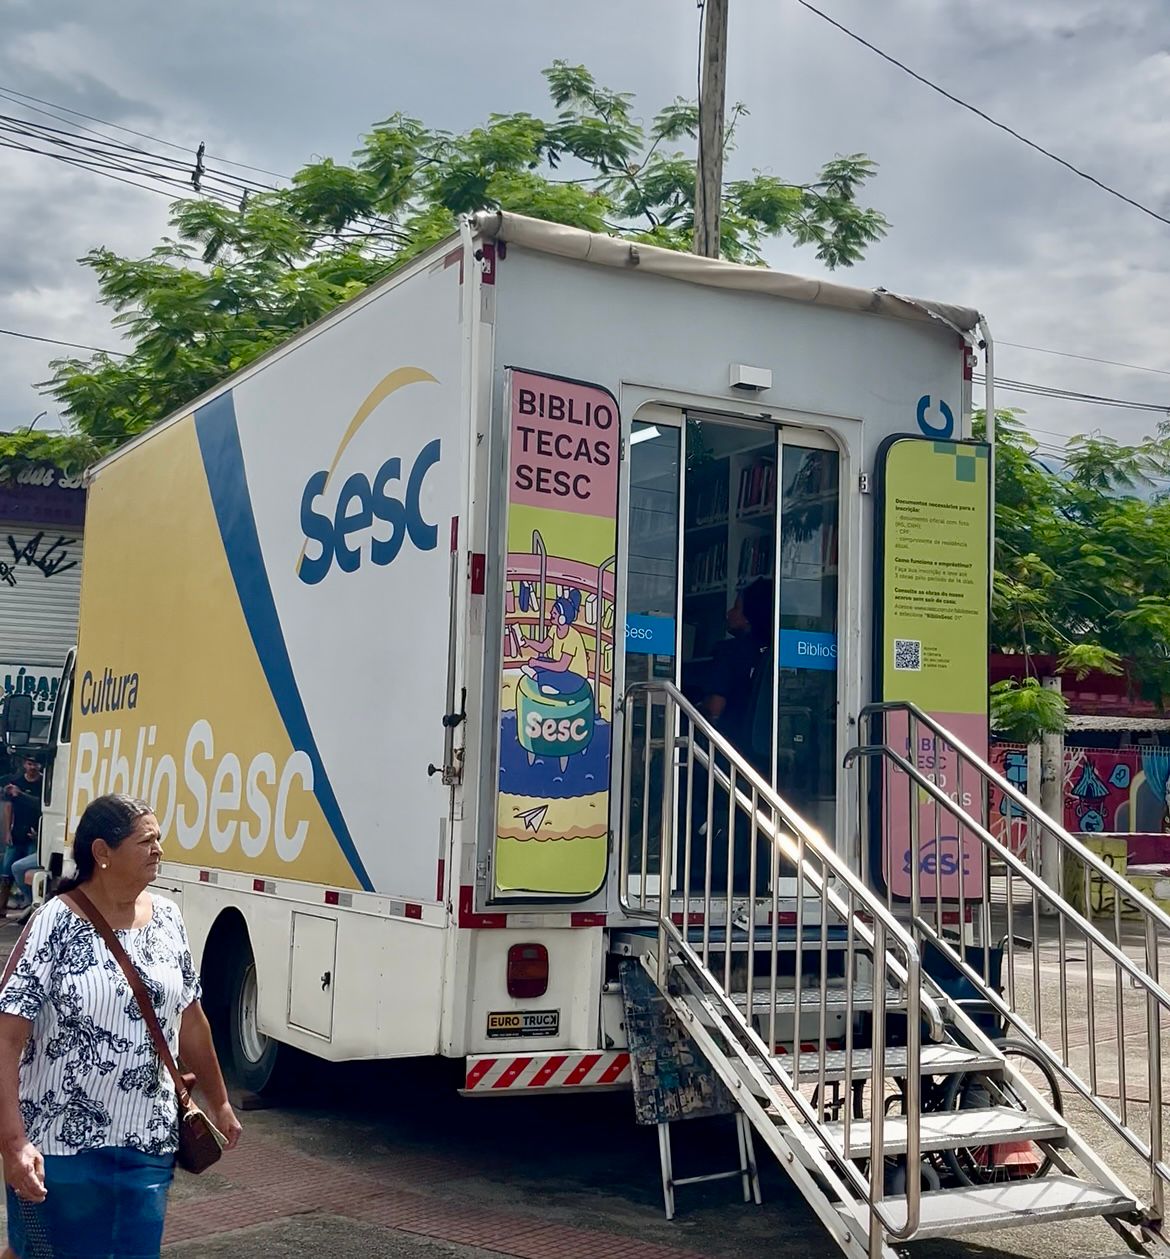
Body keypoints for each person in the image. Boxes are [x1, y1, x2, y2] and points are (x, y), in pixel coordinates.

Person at [0, 793, 242, 1259]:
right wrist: (13, 1143)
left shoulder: (168, 919)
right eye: (145, 841)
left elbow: (191, 1020)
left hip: (147, 1143)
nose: (158, 849)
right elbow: (6, 1037)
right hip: (58, 1147)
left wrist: (221, 1101)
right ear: (102, 852)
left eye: (158, 839)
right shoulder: (53, 922)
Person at [0, 755, 43, 918]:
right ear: (25, 765)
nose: (32, 767)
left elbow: (41, 804)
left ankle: (32, 903)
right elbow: (8, 807)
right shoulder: (16, 781)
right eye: (30, 764)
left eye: (35, 764)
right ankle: (2, 906)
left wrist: (21, 794)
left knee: (31, 872)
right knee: (6, 871)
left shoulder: (44, 783)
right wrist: (7, 831)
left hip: (34, 834)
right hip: (17, 832)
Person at [520, 590, 590, 679]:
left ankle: (537, 677)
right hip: (562, 668)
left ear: (562, 618)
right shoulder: (554, 629)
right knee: (541, 660)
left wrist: (537, 663)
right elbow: (543, 647)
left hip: (575, 676)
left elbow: (561, 666)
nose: (551, 614)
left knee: (550, 672)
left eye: (554, 613)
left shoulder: (572, 636)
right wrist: (529, 642)